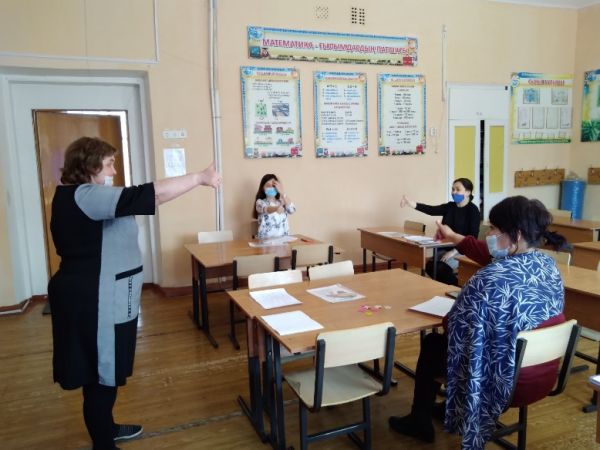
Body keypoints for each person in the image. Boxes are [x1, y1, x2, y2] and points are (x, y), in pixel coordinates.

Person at [48, 137, 221, 450]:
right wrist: (199, 178)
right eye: (109, 163)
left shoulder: (83, 196)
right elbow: (151, 194)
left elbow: (150, 200)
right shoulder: (86, 195)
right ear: (89, 165)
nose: (114, 171)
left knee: (104, 370)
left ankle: (107, 428)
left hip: (103, 298)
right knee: (102, 373)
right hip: (96, 301)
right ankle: (103, 442)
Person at [389, 196, 565, 449]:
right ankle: (450, 408)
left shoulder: (489, 279)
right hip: (543, 373)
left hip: (502, 381)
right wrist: (454, 237)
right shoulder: (548, 266)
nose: (488, 235)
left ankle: (420, 420)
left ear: (516, 235)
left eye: (493, 228)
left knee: (433, 344)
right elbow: (486, 255)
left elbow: (453, 327)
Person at [400, 178, 480, 285]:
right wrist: (411, 203)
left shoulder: (473, 210)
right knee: (429, 266)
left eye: (458, 189)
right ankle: (453, 287)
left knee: (439, 268)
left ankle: (458, 289)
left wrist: (454, 252)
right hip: (444, 248)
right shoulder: (450, 206)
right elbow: (431, 210)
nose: (454, 192)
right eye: (453, 189)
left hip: (462, 251)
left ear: (468, 192)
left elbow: (473, 237)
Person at [253, 173, 296, 239]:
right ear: (262, 188)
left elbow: (292, 210)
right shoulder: (260, 202)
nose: (271, 188)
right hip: (265, 242)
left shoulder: (282, 201)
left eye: (273, 185)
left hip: (283, 241)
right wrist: (276, 209)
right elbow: (266, 209)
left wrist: (282, 192)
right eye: (268, 185)